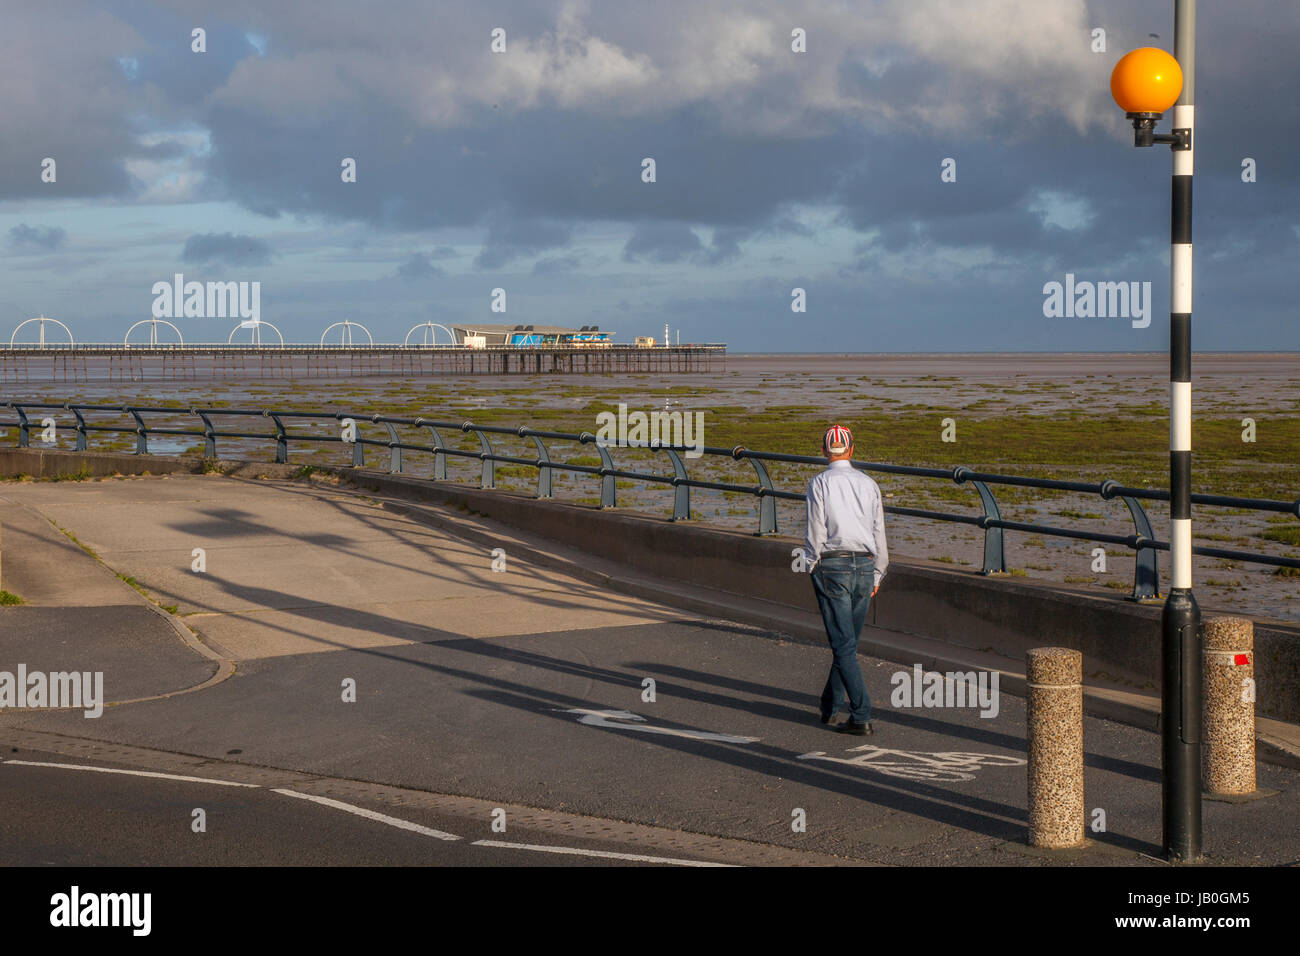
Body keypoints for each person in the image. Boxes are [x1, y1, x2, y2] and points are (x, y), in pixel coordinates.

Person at [804, 424, 889, 735]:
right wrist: (879, 570)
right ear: (852, 449)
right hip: (865, 565)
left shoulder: (819, 483)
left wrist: (812, 564)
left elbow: (815, 530)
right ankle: (829, 706)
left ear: (825, 451)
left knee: (842, 645)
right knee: (847, 644)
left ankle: (862, 714)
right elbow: (879, 530)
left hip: (833, 565)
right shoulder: (869, 484)